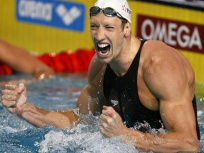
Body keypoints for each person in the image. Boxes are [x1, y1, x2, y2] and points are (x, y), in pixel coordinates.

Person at [1, 0, 200, 152]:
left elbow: (189, 144)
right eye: (94, 26)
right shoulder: (99, 67)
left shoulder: (160, 67)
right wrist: (25, 109)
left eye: (109, 27)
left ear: (126, 29)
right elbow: (76, 122)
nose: (99, 36)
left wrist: (124, 135)